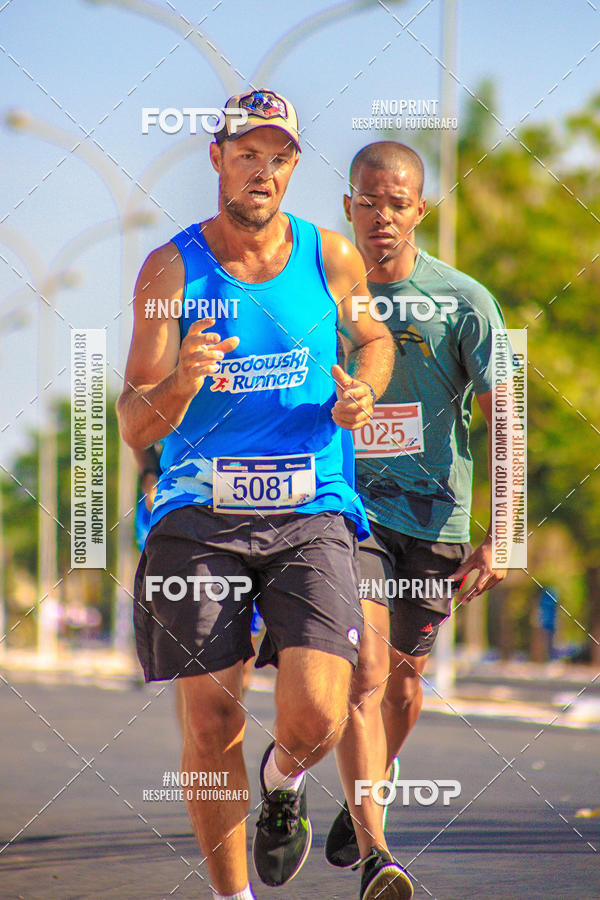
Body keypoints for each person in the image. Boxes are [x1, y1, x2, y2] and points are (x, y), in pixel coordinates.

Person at [117, 91, 395, 900]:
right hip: (199, 520)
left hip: (312, 513)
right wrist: (182, 380)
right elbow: (136, 423)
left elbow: (372, 338)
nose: (262, 171)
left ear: (294, 167)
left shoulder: (331, 257)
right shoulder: (171, 269)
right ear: (216, 158)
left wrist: (363, 396)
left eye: (278, 157)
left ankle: (283, 777)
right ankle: (232, 897)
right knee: (211, 723)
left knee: (319, 715)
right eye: (247, 153)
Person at [326, 141, 509, 895]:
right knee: (365, 675)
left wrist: (506, 532)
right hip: (348, 513)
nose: (381, 217)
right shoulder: (322, 298)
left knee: (403, 685)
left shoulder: (464, 301)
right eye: (367, 201)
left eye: (396, 203)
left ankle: (367, 782)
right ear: (347, 208)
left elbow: (507, 416)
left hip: (436, 518)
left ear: (419, 210)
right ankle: (378, 853)